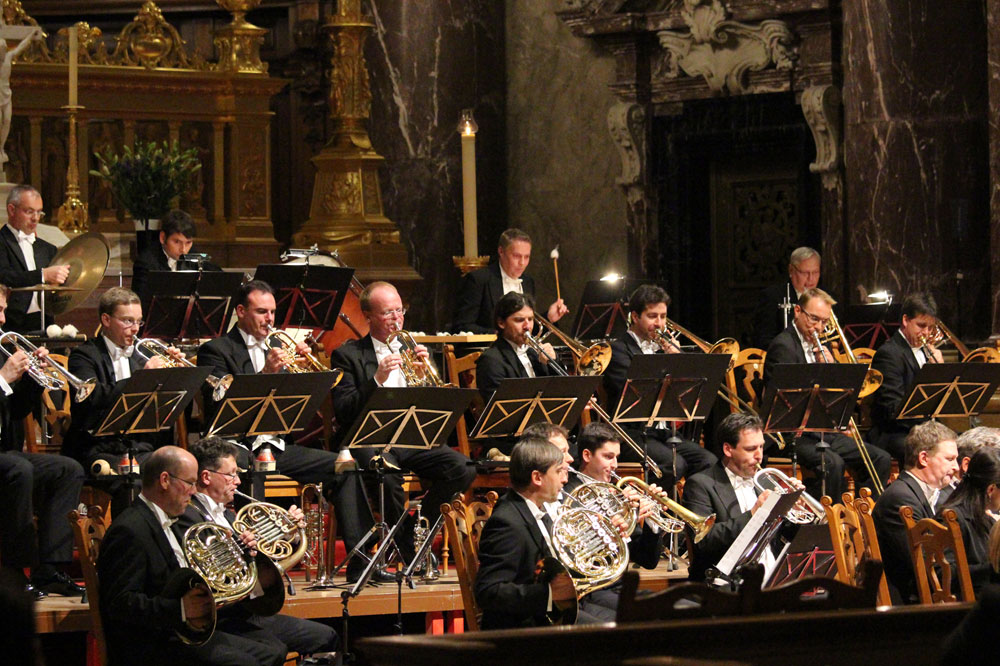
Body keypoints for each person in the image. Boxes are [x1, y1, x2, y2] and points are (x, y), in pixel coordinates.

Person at [197, 280, 371, 583]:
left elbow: (301, 408)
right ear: (240, 311)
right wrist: (266, 373)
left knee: (345, 466)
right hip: (233, 446)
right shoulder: (215, 350)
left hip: (276, 445)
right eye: (261, 311)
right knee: (253, 467)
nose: (270, 319)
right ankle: (258, 568)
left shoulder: (280, 348)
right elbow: (219, 402)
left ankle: (361, 562)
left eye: (273, 312)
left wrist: (302, 371)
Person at [328, 280, 476, 582]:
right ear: (368, 316)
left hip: (412, 436)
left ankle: (413, 531)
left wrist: (424, 379)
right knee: (388, 474)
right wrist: (377, 379)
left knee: (462, 467)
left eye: (400, 310)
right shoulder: (348, 355)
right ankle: (410, 547)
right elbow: (344, 410)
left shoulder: (412, 351)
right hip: (369, 439)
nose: (397, 319)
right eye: (387, 313)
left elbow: (437, 406)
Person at [97, 446, 290, 666]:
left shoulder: (167, 519)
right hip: (154, 643)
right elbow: (119, 603)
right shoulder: (131, 530)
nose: (193, 491)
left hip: (180, 630)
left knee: (271, 653)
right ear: (164, 480)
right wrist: (181, 609)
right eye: (189, 483)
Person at [175, 437, 338, 658]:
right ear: (206, 477)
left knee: (326, 636)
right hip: (222, 617)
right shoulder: (188, 517)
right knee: (274, 652)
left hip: (248, 608)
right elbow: (208, 569)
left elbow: (261, 569)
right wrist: (241, 550)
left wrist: (288, 533)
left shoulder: (229, 515)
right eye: (231, 474)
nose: (238, 481)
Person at [763, 287, 891, 500]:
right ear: (797, 311)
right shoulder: (783, 346)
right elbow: (788, 400)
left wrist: (833, 374)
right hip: (792, 434)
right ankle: (826, 523)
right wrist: (822, 375)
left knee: (880, 458)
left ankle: (864, 518)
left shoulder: (820, 346)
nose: (819, 327)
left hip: (821, 431)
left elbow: (834, 397)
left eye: (824, 322)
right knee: (832, 463)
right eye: (814, 319)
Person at [0, 283, 85, 599]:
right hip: (9, 460)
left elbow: (16, 410)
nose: (4, 320)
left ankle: (50, 569)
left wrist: (34, 380)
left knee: (68, 469)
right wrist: (2, 379)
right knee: (18, 469)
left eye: (5, 310)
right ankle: (13, 573)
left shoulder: (0, 350)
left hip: (5, 453)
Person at [475, 436, 613, 628]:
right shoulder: (507, 522)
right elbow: (488, 591)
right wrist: (549, 593)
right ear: (537, 478)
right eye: (558, 472)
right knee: (615, 636)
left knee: (629, 621)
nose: (564, 479)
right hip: (524, 628)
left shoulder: (538, 510)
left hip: (550, 614)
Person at [601, 284, 717, 487]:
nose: (660, 323)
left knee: (709, 461)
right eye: (653, 316)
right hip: (631, 434)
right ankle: (644, 511)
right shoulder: (617, 350)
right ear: (635, 317)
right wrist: (668, 361)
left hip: (662, 433)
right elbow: (635, 393)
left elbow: (687, 393)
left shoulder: (662, 350)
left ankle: (690, 513)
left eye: (663, 317)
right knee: (674, 465)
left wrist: (678, 361)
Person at [64, 287, 172, 472]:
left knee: (178, 470)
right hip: (96, 448)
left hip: (139, 446)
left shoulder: (142, 354)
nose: (136, 328)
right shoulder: (83, 355)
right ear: (106, 320)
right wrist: (143, 379)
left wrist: (174, 374)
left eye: (139, 321)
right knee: (133, 476)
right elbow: (93, 396)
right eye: (128, 321)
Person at [682, 412, 796, 582]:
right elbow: (705, 542)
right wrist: (753, 514)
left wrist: (792, 507)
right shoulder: (700, 484)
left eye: (761, 447)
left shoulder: (768, 482)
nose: (759, 456)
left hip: (774, 577)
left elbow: (786, 537)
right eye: (750, 449)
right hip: (727, 584)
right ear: (728, 449)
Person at [873, 420, 959, 604]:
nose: (956, 467)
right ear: (923, 459)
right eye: (950, 459)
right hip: (911, 603)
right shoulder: (900, 500)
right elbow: (926, 563)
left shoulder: (932, 492)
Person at [563, 422, 667, 571]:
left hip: (620, 585)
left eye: (616, 457)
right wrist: (614, 525)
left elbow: (647, 560)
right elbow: (577, 553)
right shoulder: (568, 494)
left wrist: (652, 518)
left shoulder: (618, 495)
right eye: (608, 457)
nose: (615, 465)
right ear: (587, 455)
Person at [869, 292, 945, 464]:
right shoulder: (889, 354)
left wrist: (938, 372)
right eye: (921, 326)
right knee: (937, 453)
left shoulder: (927, 352)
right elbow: (892, 408)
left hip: (924, 429)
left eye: (930, 328)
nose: (926, 333)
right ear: (905, 320)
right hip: (895, 433)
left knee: (966, 444)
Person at [452, 228, 568, 334]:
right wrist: (500, 335)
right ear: (501, 252)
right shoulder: (479, 279)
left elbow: (527, 332)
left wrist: (549, 318)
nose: (522, 263)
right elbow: (462, 326)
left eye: (526, 257)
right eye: (517, 256)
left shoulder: (528, 282)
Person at [0, 185, 70, 333]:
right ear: (11, 210)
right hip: (10, 322)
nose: (36, 218)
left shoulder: (48, 249)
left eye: (39, 212)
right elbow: (5, 276)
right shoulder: (2, 241)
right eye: (29, 211)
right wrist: (43, 275)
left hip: (43, 322)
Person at [131, 209, 222, 316]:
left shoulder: (192, 254)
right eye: (177, 242)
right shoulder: (146, 262)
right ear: (162, 237)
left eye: (188, 242)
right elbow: (140, 305)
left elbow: (215, 271)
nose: (183, 249)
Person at [476, 291, 559, 404]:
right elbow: (500, 408)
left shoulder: (534, 353)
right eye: (519, 320)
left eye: (530, 319)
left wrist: (552, 362)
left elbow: (562, 393)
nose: (527, 326)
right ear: (501, 323)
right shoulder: (491, 360)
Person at [937, 447, 1000, 596]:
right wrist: (994, 568)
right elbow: (942, 573)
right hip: (968, 608)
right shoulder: (952, 518)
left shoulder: (981, 515)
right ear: (991, 490)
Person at [750, 246, 822, 349]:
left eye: (815, 272)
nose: (811, 279)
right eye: (805, 273)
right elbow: (763, 339)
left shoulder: (827, 297)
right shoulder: (772, 296)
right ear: (791, 270)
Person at [0, 29, 42, 168]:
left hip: (6, 95)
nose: (2, 52)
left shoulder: (8, 57)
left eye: (3, 49)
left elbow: (21, 46)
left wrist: (31, 35)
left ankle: (1, 148)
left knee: (7, 120)